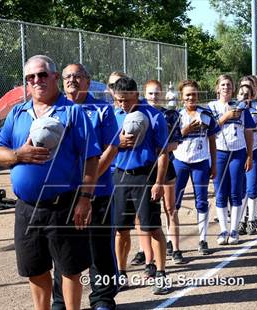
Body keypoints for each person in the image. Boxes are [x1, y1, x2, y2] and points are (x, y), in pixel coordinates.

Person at [0, 55, 101, 310]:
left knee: (70, 270)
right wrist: (19, 154)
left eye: (42, 75)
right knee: (35, 270)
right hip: (27, 207)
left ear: (54, 77)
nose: (37, 80)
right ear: (27, 83)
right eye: (31, 77)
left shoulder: (73, 112)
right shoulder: (17, 113)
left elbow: (91, 159)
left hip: (63, 205)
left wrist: (85, 199)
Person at [50, 64, 119, 310]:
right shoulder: (55, 110)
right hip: (64, 195)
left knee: (100, 248)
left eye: (78, 76)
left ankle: (103, 298)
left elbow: (111, 148)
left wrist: (86, 182)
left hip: (97, 192)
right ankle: (60, 300)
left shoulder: (102, 110)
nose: (72, 80)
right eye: (67, 76)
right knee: (63, 251)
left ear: (88, 82)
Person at [112, 77, 170, 295]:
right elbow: (105, 148)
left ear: (136, 94)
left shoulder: (154, 116)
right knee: (120, 229)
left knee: (152, 227)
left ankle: (161, 275)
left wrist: (159, 182)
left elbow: (163, 153)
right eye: (119, 100)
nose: (123, 105)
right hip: (119, 176)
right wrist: (118, 143)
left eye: (126, 100)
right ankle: (120, 274)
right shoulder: (114, 115)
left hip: (145, 176)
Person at [174, 79, 219, 253]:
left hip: (200, 162)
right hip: (180, 162)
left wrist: (214, 164)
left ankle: (203, 240)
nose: (191, 97)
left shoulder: (206, 114)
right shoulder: (176, 116)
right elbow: (171, 140)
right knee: (174, 203)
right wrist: (184, 131)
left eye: (194, 94)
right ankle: (173, 241)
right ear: (181, 97)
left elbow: (213, 140)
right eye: (188, 95)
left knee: (201, 201)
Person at [142, 79, 184, 264]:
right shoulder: (138, 113)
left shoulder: (170, 115)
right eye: (150, 93)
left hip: (166, 165)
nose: (154, 96)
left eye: (157, 93)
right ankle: (147, 253)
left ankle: (175, 248)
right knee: (143, 213)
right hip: (144, 168)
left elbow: (177, 142)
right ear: (145, 95)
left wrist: (161, 149)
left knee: (170, 208)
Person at [208, 75, 254, 243]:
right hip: (219, 153)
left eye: (229, 85)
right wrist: (225, 117)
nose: (226, 87)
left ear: (233, 88)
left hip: (238, 152)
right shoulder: (211, 107)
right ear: (217, 88)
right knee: (220, 192)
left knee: (236, 192)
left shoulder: (241, 106)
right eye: (223, 85)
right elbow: (209, 130)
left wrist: (250, 155)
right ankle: (223, 230)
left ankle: (234, 230)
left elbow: (248, 132)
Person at [236, 83, 257, 235]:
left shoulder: (256, 111)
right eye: (241, 94)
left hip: (253, 151)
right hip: (236, 152)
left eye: (247, 95)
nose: (244, 98)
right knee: (240, 188)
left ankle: (252, 218)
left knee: (252, 187)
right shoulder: (233, 110)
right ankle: (241, 219)